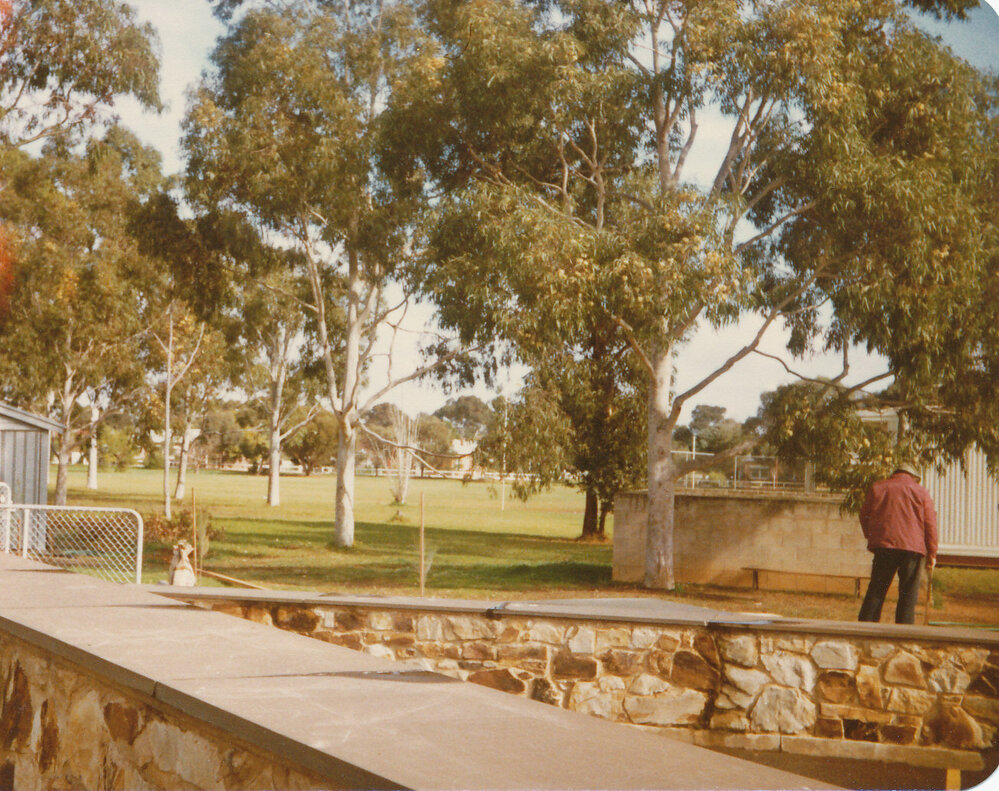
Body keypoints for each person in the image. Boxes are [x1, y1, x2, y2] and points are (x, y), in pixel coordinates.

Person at [857, 462, 938, 624]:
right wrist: (932, 553)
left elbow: (864, 515)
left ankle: (864, 632)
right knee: (908, 595)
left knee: (876, 591)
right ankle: (904, 635)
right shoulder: (921, 492)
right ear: (914, 477)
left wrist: (872, 537)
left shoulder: (878, 487)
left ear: (895, 473)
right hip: (913, 550)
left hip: (884, 546)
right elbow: (930, 524)